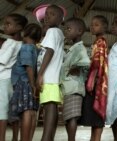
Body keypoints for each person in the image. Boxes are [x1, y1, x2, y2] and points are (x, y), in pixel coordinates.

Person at [36, 5, 66, 141]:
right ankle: (49, 136)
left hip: (49, 76)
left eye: (52, 14)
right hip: (52, 76)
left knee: (50, 106)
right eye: (47, 14)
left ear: (60, 19)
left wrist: (40, 74)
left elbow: (50, 51)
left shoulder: (53, 31)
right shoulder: (57, 32)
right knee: (50, 106)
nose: (47, 16)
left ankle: (46, 137)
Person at [9, 23, 42, 141]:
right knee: (32, 112)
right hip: (31, 83)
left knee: (26, 112)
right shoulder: (37, 49)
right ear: (39, 38)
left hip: (24, 83)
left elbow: (28, 67)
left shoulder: (25, 48)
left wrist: (32, 84)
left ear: (25, 33)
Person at [60, 17, 90, 141]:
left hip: (74, 88)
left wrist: (77, 66)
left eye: (69, 28)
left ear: (79, 31)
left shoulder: (79, 48)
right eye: (65, 28)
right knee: (68, 117)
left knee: (72, 117)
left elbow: (87, 62)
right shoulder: (72, 49)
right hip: (68, 88)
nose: (66, 31)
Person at [0, 13, 27, 141]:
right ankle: (15, 138)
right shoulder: (22, 44)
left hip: (3, 79)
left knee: (2, 111)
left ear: (19, 27)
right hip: (13, 80)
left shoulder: (9, 42)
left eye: (8, 24)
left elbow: (2, 60)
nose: (5, 26)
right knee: (14, 110)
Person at [81, 15, 108, 141]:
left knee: (97, 120)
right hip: (95, 82)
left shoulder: (101, 41)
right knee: (94, 120)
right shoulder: (96, 42)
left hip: (97, 84)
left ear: (104, 27)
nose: (92, 27)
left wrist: (93, 81)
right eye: (91, 24)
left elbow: (98, 64)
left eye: (96, 24)